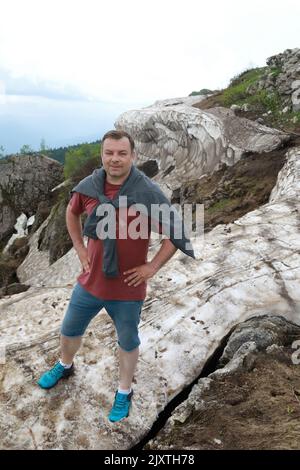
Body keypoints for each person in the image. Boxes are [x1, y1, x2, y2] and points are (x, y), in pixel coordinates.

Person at [37, 130, 194, 423]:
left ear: (132, 156)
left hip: (127, 288)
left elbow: (176, 232)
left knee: (127, 340)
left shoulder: (147, 193)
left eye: (122, 153)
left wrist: (152, 267)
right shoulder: (88, 187)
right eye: (109, 153)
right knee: (70, 329)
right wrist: (80, 249)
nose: (115, 159)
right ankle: (65, 364)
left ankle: (124, 391)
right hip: (91, 281)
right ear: (102, 155)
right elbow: (72, 215)